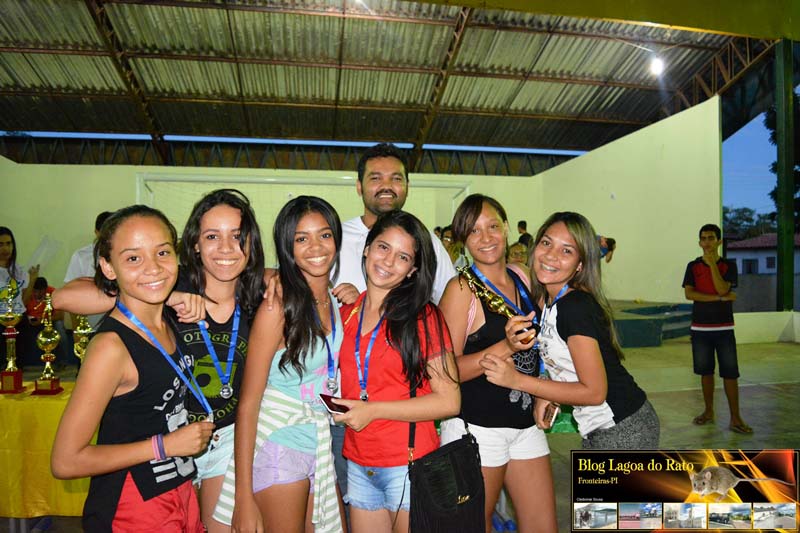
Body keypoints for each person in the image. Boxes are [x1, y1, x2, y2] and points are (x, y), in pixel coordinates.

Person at [53, 189, 267, 532]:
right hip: (135, 498)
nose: (152, 267)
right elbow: (65, 461)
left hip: (179, 481)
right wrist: (166, 294)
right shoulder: (112, 345)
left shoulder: (167, 324)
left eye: (162, 253)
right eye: (133, 258)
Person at [331, 142, 456, 516]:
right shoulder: (347, 314)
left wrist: (373, 411)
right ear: (366, 249)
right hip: (358, 461)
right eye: (382, 248)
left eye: (403, 257)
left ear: (413, 269)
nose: (388, 261)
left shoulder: (423, 317)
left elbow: (449, 401)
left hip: (408, 463)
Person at [214, 196, 345, 533]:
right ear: (288, 247)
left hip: (318, 441)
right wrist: (243, 496)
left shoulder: (332, 298)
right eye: (302, 238)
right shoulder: (277, 306)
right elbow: (248, 404)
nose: (316, 247)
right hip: (279, 444)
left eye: (325, 235)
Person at [481, 211, 659, 450]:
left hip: (623, 429)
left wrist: (518, 381)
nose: (551, 255)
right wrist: (547, 393)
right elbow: (567, 364)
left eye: (567, 251)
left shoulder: (575, 307)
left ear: (580, 264)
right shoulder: (551, 301)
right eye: (547, 243)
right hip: (604, 429)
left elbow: (594, 393)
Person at [438, 195, 556, 533]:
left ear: (506, 227)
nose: (486, 237)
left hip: (525, 425)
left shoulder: (522, 276)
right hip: (477, 429)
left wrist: (544, 390)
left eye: (492, 226)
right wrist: (505, 346)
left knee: (543, 527)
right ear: (463, 239)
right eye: (474, 231)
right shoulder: (461, 289)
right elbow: (445, 373)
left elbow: (539, 344)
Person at [682, 223, 751, 434]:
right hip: (700, 329)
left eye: (711, 238)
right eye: (703, 238)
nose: (707, 242)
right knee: (705, 372)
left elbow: (722, 287)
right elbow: (690, 294)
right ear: (699, 243)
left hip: (724, 328)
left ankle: (735, 418)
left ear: (719, 241)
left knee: (730, 373)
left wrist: (712, 265)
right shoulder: (692, 266)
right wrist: (720, 298)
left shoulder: (729, 266)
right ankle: (709, 411)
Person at [64, 211, 113, 331]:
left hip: (119, 326)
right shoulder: (81, 256)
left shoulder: (123, 255)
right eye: (105, 233)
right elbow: (72, 296)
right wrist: (77, 331)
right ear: (96, 232)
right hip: (89, 328)